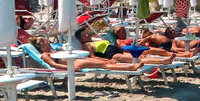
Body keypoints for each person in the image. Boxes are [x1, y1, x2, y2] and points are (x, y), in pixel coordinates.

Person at [31, 38, 171, 70]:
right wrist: (70, 68)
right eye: (44, 42)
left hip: (78, 59)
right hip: (74, 63)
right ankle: (130, 67)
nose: (47, 42)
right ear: (40, 46)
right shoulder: (45, 55)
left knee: (108, 62)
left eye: (46, 41)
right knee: (105, 64)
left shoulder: (54, 50)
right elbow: (54, 65)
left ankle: (162, 61)